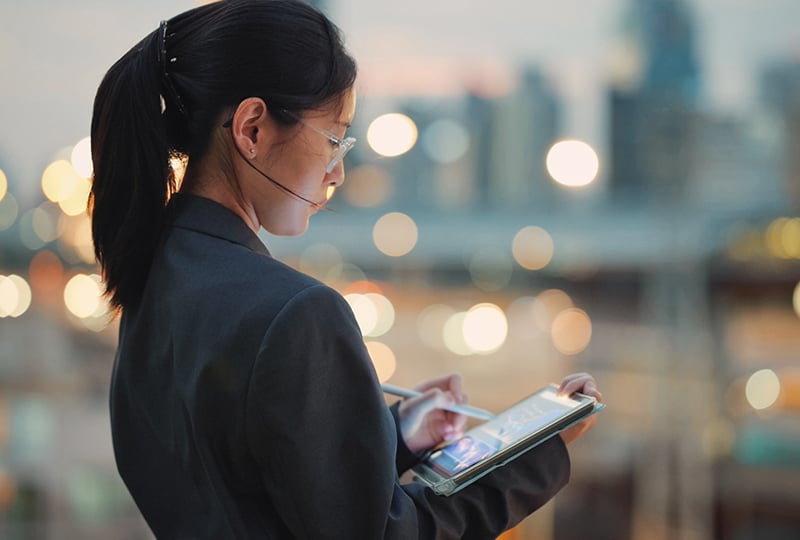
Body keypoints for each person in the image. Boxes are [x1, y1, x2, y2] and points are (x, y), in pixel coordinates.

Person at [89, 1, 602, 538]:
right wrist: (535, 459)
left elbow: (237, 472)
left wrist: (388, 434)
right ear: (252, 129)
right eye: (334, 138)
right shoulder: (298, 314)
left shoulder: (151, 274)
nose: (337, 171)